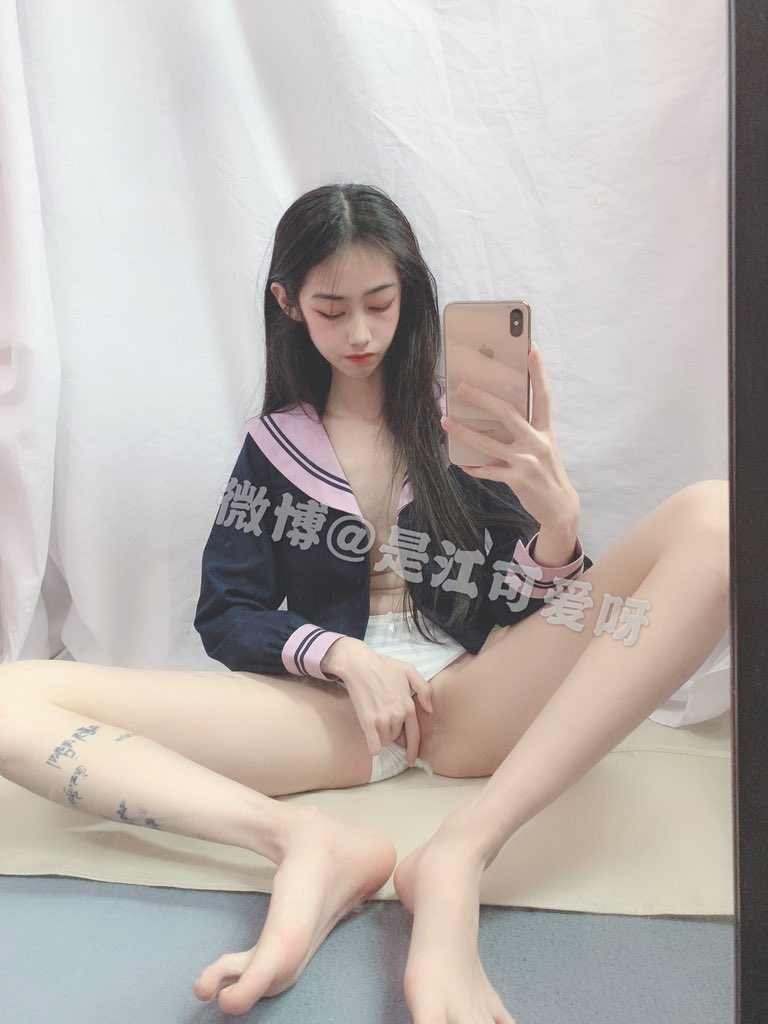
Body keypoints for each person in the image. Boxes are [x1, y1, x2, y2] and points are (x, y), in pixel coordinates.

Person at [0, 182, 729, 1023]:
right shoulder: (275, 448)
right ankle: (302, 843)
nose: (359, 333)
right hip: (333, 718)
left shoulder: (462, 429)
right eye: (331, 308)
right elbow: (227, 611)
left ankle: (462, 850)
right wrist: (341, 655)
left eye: (380, 304)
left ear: (407, 295)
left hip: (473, 700)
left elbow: (512, 611)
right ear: (288, 303)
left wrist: (559, 533)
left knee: (716, 519)